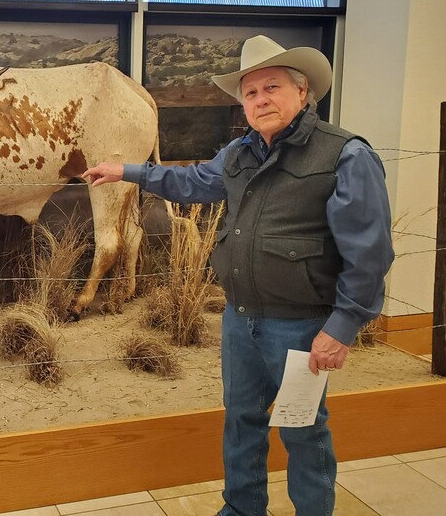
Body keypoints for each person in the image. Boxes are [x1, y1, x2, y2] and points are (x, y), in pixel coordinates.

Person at [83, 35, 394, 516]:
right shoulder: (239, 154)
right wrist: (126, 170)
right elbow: (190, 183)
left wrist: (342, 327)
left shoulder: (346, 156)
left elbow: (370, 254)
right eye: (250, 93)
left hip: (302, 327)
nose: (260, 99)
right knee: (242, 420)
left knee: (302, 427)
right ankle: (242, 509)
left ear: (303, 91)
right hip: (240, 321)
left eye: (271, 87)